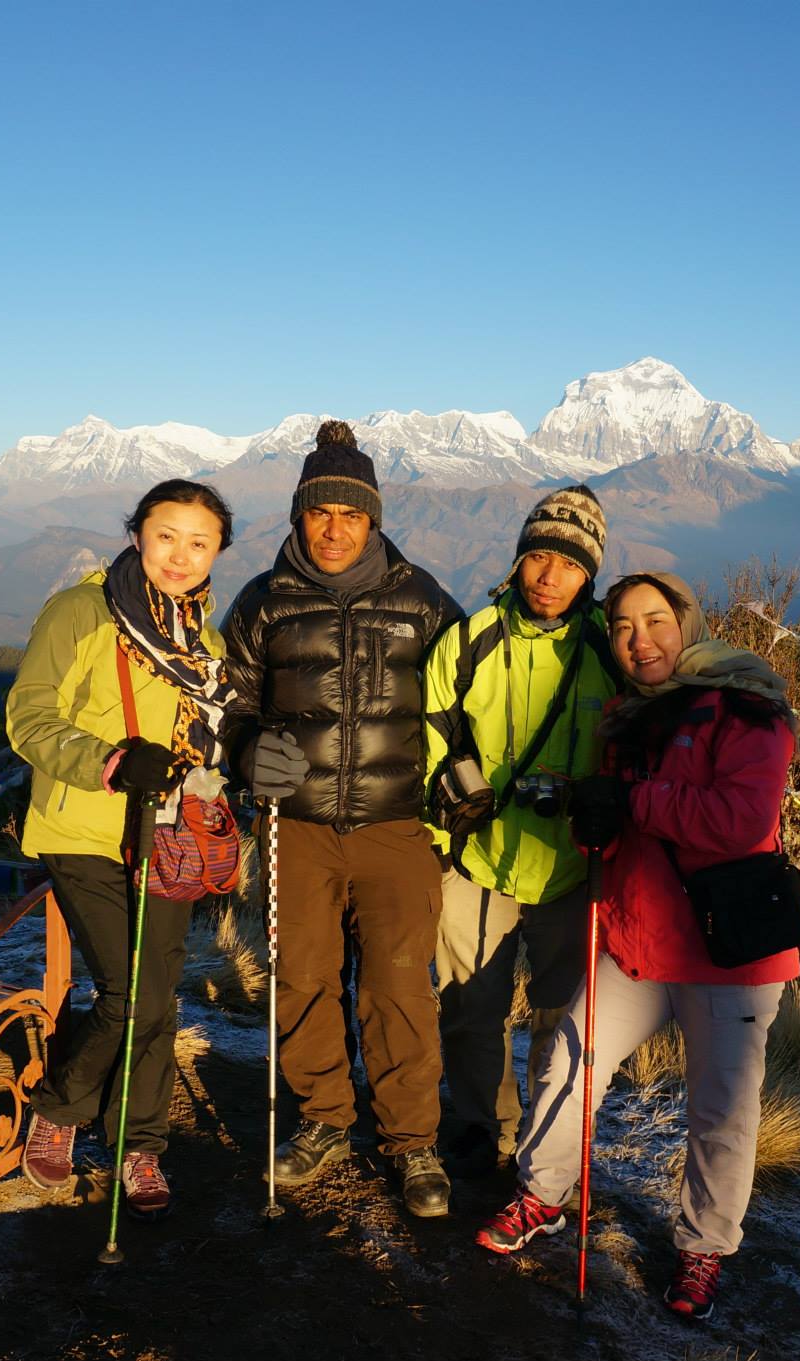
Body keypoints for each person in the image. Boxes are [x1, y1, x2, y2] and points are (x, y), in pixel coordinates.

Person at [476, 571, 800, 1323]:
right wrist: (598, 817)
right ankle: (544, 1195)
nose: (639, 638)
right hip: (640, 938)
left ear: (687, 623)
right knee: (570, 1063)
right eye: (622, 626)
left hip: (729, 949)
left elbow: (741, 820)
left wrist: (632, 802)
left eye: (655, 620)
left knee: (720, 1108)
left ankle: (704, 1246)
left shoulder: (747, 709)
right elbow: (629, 821)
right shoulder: (627, 718)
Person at [221, 420, 463, 1218]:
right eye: (319, 513)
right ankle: (324, 1118)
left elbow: (466, 702)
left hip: (397, 824)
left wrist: (466, 770)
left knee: (399, 986)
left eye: (349, 515)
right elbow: (230, 706)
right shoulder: (263, 601)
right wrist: (247, 749)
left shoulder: (422, 597)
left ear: (374, 518)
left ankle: (411, 1140)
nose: (334, 529)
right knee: (302, 978)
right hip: (298, 825)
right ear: (298, 516)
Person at [6, 479, 239, 1219]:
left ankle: (140, 1142)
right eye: (166, 534)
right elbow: (28, 716)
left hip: (168, 836)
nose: (180, 553)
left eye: (198, 541)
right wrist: (109, 759)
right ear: (137, 533)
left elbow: (206, 744)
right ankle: (62, 1108)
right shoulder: (81, 610)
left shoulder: (205, 641)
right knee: (129, 987)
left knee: (158, 990)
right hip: (82, 829)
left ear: (217, 553)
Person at [423, 486, 617, 1176]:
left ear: (590, 574)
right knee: (470, 1011)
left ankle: (546, 1140)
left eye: (567, 564)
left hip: (573, 869)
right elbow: (432, 737)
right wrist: (442, 835)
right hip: (479, 859)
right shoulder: (472, 639)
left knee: (559, 1020)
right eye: (538, 557)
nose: (549, 576)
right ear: (516, 561)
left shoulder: (609, 650)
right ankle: (483, 1128)